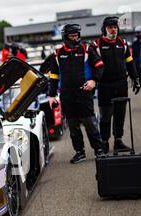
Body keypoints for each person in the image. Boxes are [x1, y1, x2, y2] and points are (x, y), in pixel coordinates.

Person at [41, 24, 105, 163]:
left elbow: (100, 65)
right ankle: (79, 152)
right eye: (72, 36)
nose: (75, 38)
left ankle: (99, 150)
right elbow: (54, 76)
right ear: (65, 37)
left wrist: (94, 80)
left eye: (77, 35)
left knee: (90, 123)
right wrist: (52, 95)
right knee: (73, 125)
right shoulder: (57, 54)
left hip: (84, 93)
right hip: (66, 95)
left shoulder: (87, 49)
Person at [92, 16, 140, 154]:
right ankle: (104, 142)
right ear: (104, 29)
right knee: (105, 116)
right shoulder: (96, 45)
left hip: (121, 84)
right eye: (110, 27)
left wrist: (135, 78)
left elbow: (130, 62)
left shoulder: (123, 43)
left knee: (120, 115)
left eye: (115, 27)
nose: (113, 30)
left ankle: (118, 141)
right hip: (105, 85)